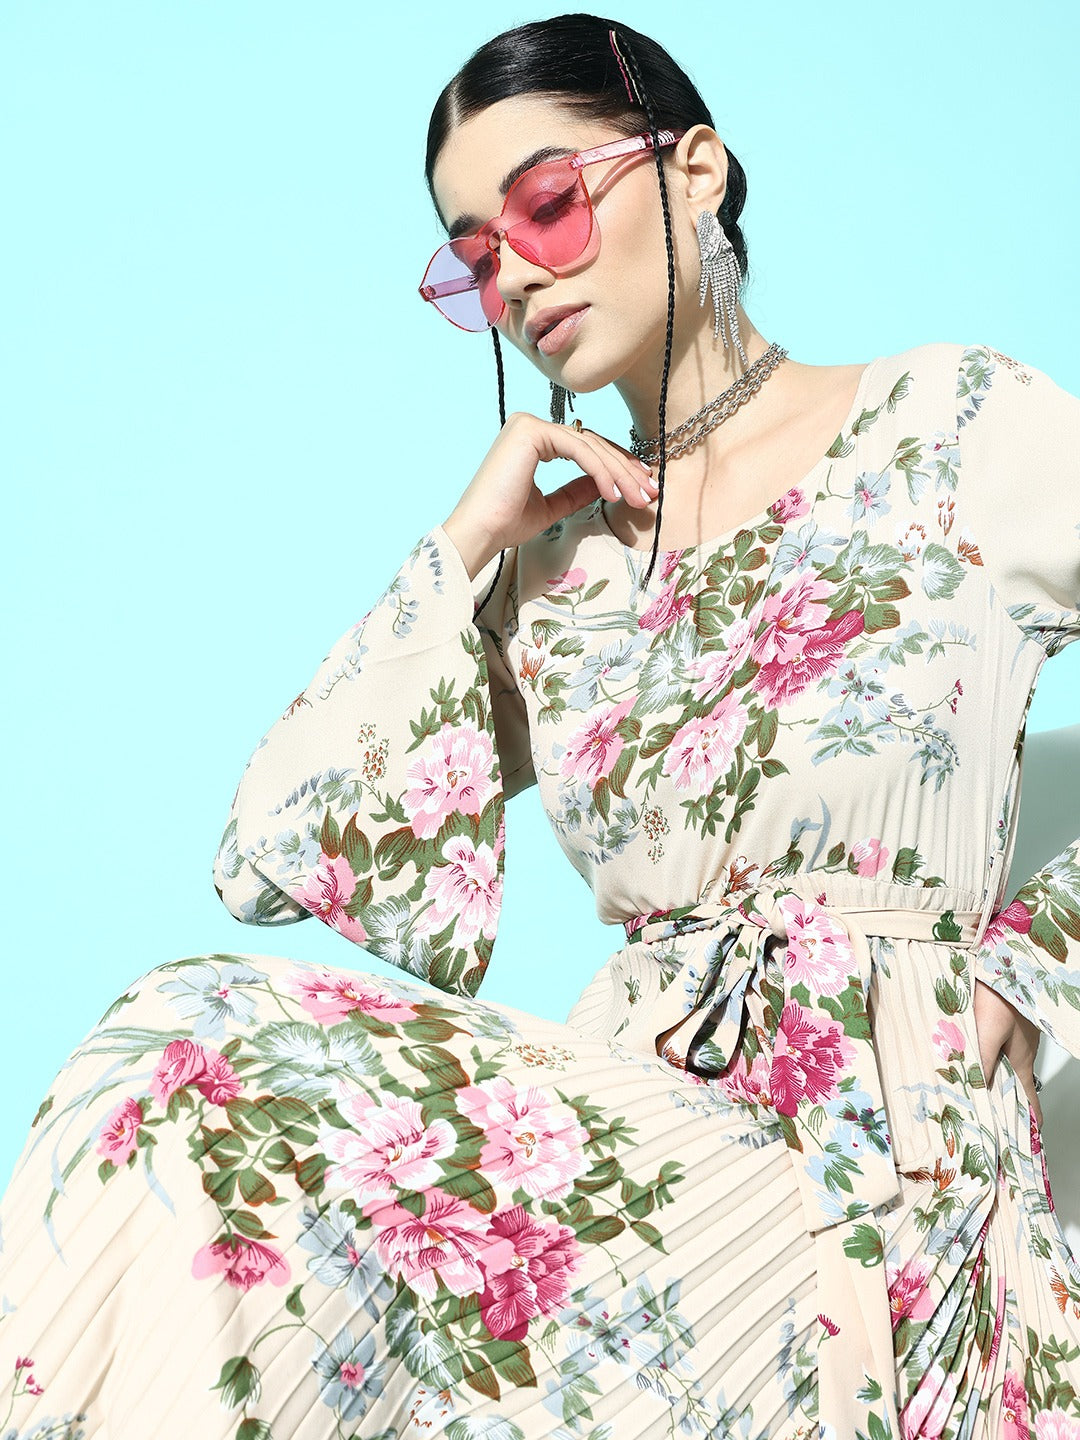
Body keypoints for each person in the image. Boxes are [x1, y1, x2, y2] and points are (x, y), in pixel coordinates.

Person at [1, 12, 1077, 1439]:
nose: (513, 273)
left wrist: (1040, 958)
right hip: (634, 1166)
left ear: (697, 170)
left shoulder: (952, 424)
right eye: (474, 256)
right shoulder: (558, 569)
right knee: (181, 1059)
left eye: (547, 204)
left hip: (893, 1162)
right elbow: (271, 851)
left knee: (196, 1048)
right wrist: (464, 545)